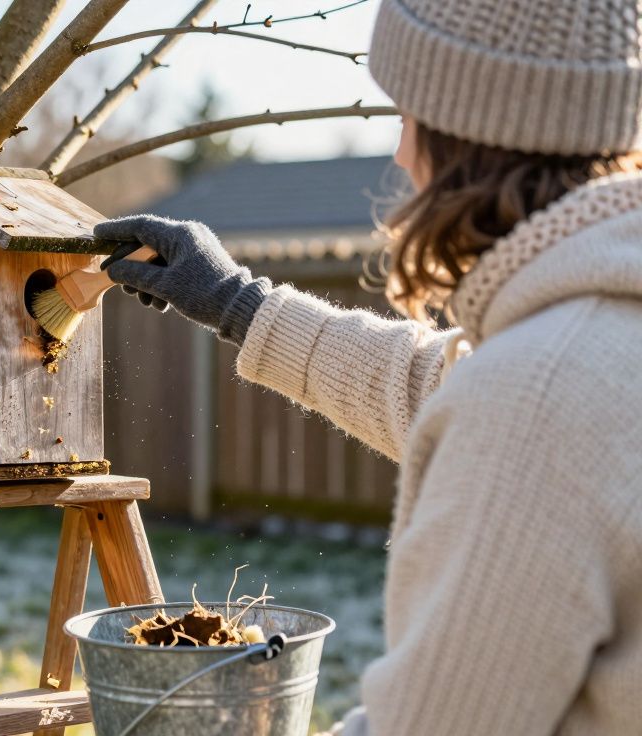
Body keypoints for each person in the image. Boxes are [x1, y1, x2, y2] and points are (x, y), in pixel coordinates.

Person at [97, 0, 642, 733]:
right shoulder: (595, 336)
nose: (400, 154)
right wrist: (238, 302)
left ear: (466, 136)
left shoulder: (536, 398)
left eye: (408, 117)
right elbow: (438, 385)